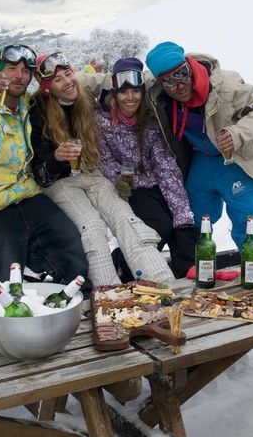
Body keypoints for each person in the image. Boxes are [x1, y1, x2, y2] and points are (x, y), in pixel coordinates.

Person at [0, 44, 91, 289]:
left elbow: (65, 95)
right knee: (6, 278)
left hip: (28, 195)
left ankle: (78, 303)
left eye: (25, 71)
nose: (19, 76)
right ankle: (9, 313)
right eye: (12, 68)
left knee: (70, 245)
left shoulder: (28, 107)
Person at [30, 51, 175, 286]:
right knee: (92, 227)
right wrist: (56, 157)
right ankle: (109, 293)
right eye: (58, 79)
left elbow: (115, 80)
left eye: (68, 74)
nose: (67, 82)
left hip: (92, 172)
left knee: (125, 219)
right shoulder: (37, 112)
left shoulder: (86, 99)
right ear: (47, 88)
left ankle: (162, 282)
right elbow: (40, 174)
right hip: (61, 182)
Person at [144, 41, 253, 258]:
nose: (179, 85)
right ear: (160, 82)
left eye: (182, 74)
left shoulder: (226, 85)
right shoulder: (157, 95)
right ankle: (195, 269)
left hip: (235, 157)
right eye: (169, 81)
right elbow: (122, 84)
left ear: (189, 66)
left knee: (251, 217)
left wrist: (236, 134)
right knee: (190, 217)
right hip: (203, 158)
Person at [96, 57, 198, 278]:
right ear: (115, 93)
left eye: (135, 91)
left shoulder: (150, 121)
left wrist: (183, 217)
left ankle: (185, 274)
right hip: (128, 187)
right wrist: (119, 179)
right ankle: (125, 267)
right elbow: (105, 159)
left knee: (182, 226)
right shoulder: (102, 121)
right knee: (158, 226)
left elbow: (165, 166)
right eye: (124, 92)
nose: (130, 98)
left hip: (153, 183)